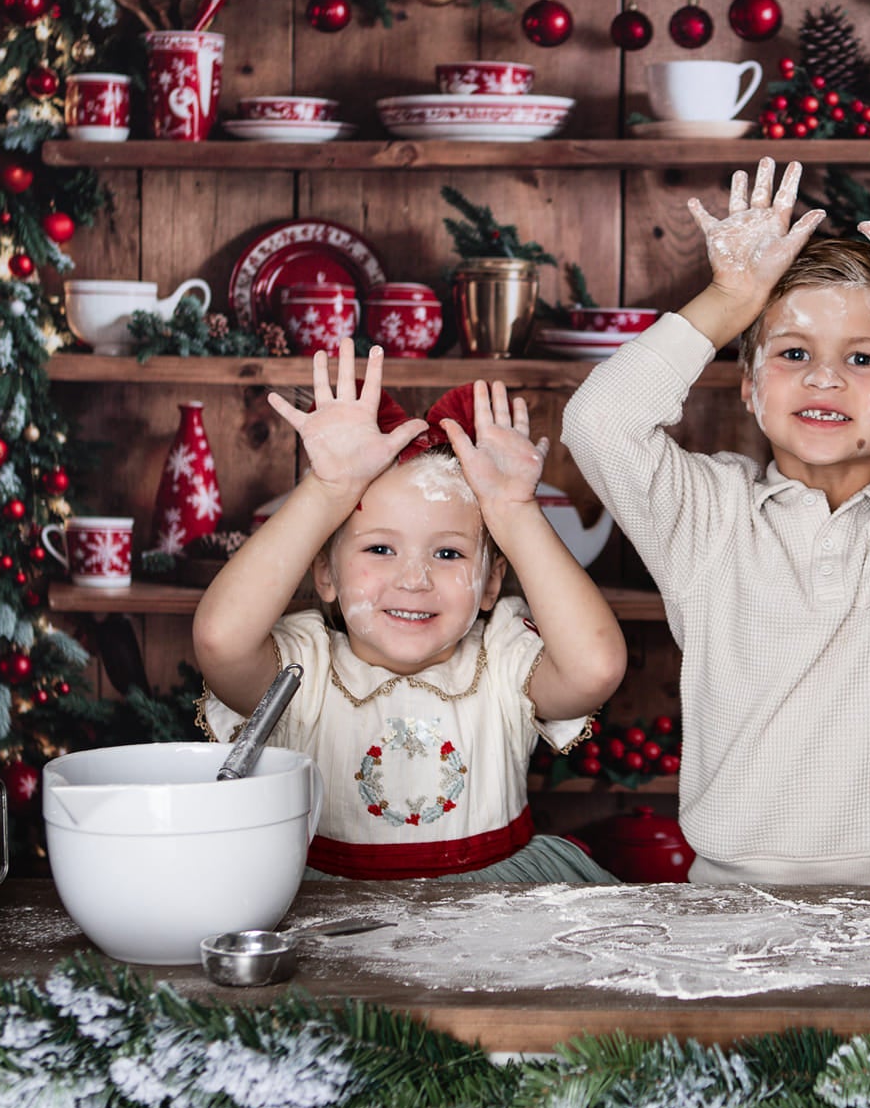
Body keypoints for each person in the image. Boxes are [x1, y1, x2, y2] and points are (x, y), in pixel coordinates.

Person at [561, 156, 870, 886]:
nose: (825, 377)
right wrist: (727, 301)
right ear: (752, 389)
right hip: (735, 895)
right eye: (793, 353)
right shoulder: (708, 518)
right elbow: (599, 424)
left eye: (863, 357)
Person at [192, 342, 625, 882]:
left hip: (494, 915)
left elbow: (597, 667)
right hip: (331, 917)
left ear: (490, 584)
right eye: (379, 549)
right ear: (325, 573)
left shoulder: (504, 661)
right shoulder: (302, 669)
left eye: (448, 554)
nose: (414, 579)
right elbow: (219, 639)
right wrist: (329, 491)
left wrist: (515, 513)